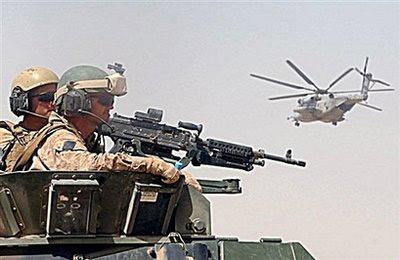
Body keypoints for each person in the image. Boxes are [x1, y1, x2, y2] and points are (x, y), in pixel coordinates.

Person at [13, 65, 201, 191]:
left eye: (111, 100)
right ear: (76, 102)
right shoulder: (58, 137)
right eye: (104, 100)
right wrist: (150, 165)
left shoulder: (88, 140)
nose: (111, 106)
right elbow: (86, 166)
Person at [0, 67, 59, 171]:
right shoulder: (5, 137)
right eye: (46, 97)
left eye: (56, 97)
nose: (53, 103)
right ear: (23, 101)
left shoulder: (65, 135)